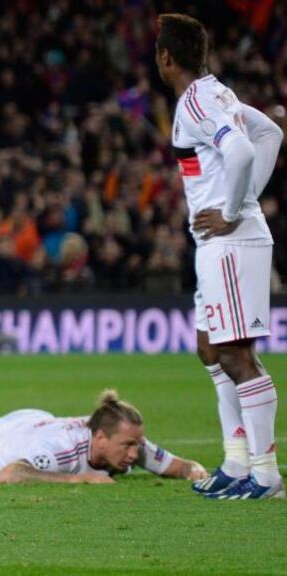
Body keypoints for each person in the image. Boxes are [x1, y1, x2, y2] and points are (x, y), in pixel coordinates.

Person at [155, 14, 284, 499]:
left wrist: (233, 210)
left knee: (236, 355)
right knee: (210, 348)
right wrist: (245, 199)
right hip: (218, 244)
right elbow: (270, 132)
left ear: (166, 58)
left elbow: (244, 153)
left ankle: (266, 474)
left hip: (231, 242)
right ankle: (235, 460)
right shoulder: (218, 94)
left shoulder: (195, 103)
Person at [0, 390, 209, 484]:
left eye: (137, 445)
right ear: (101, 438)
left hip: (30, 422)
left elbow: (177, 466)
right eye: (128, 446)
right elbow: (9, 473)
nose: (134, 454)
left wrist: (192, 469)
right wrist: (79, 478)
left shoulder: (125, 437)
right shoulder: (64, 451)